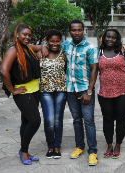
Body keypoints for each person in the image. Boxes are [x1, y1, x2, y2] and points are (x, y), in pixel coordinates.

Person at [42, 19, 99, 166]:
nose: (77, 32)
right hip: (70, 90)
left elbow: (94, 70)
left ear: (83, 30)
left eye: (79, 30)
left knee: (89, 121)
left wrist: (89, 92)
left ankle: (92, 151)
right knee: (76, 120)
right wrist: (43, 46)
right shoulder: (65, 45)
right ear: (70, 31)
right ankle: (79, 146)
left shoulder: (91, 47)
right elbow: (51, 46)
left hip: (85, 90)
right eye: (74, 30)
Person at [0, 24, 42, 165]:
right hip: (23, 93)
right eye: (24, 34)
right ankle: (23, 151)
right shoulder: (13, 51)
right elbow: (3, 71)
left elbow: (42, 47)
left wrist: (42, 50)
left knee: (26, 121)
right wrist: (12, 90)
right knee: (35, 121)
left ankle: (25, 150)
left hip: (35, 91)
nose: (27, 37)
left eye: (29, 35)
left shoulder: (28, 49)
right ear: (17, 35)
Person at [97, 29, 125, 159]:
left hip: (124, 91)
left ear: (117, 39)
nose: (110, 39)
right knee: (107, 119)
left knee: (121, 119)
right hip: (104, 91)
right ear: (104, 38)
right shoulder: (99, 52)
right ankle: (109, 145)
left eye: (113, 37)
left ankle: (118, 145)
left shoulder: (124, 52)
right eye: (108, 37)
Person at [39, 29, 67, 159]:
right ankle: (50, 146)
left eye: (57, 41)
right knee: (49, 120)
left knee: (58, 120)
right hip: (45, 92)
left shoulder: (64, 54)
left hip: (61, 91)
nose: (54, 43)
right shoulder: (41, 53)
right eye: (52, 41)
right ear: (47, 41)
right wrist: (41, 46)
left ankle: (57, 146)